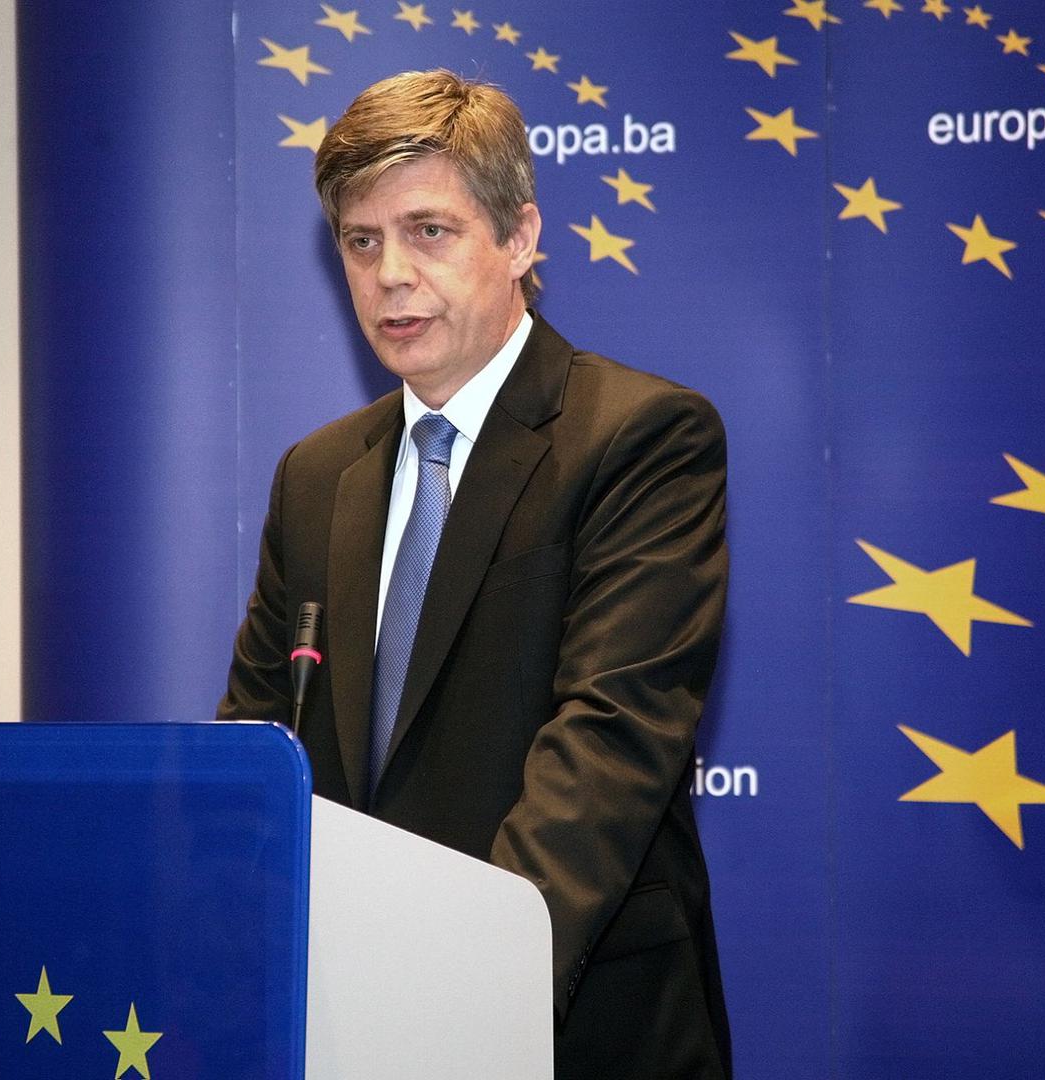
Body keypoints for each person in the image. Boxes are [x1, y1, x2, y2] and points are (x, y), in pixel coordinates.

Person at [219, 68, 731, 1079]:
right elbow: (251, 750)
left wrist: (463, 988)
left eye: (429, 232)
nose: (390, 274)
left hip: (571, 1023)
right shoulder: (316, 475)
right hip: (348, 1025)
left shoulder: (641, 438)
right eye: (361, 242)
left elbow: (609, 743)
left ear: (520, 237)